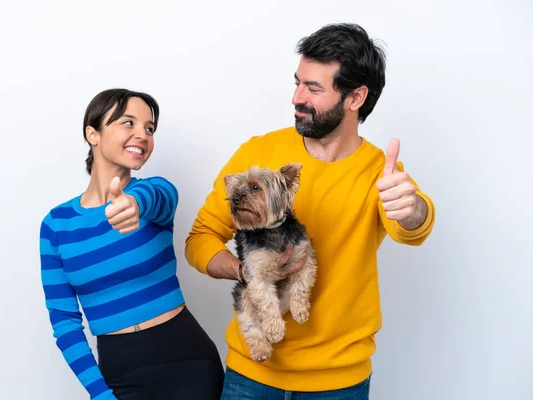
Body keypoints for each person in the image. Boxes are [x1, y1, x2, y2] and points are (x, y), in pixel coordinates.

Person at [184, 23, 436, 399]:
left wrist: (413, 207)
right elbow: (200, 239)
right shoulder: (259, 152)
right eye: (298, 82)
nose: (296, 97)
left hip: (339, 382)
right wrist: (248, 272)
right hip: (252, 374)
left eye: (313, 88)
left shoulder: (380, 172)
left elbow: (411, 226)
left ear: (355, 98)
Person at [39, 88, 224, 400]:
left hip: (188, 361)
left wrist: (135, 204)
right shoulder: (56, 225)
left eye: (149, 128)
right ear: (92, 133)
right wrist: (99, 393)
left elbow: (158, 197)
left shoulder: (154, 193)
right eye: (129, 123)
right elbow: (65, 321)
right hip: (119, 374)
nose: (143, 135)